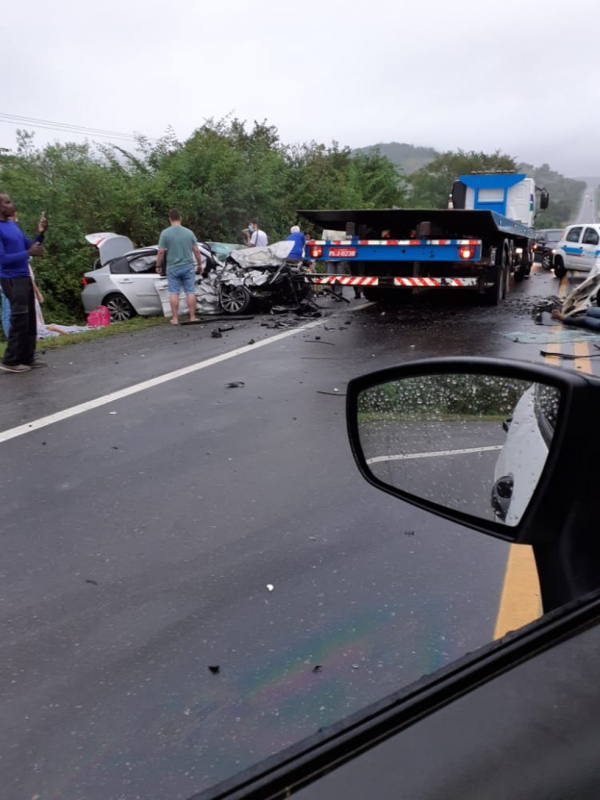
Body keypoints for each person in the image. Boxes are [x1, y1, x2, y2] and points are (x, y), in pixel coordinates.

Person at [0, 194, 47, 372]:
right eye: (7, 202)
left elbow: (30, 245)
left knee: (29, 319)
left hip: (24, 276)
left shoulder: (12, 225)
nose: (12, 204)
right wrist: (28, 253)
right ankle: (10, 360)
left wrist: (40, 234)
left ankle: (27, 357)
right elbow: (3, 259)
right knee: (19, 319)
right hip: (11, 278)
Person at [156, 209, 202, 325]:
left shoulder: (165, 233)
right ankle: (192, 317)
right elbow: (196, 251)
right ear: (180, 218)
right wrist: (200, 264)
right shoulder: (189, 233)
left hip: (173, 267)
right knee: (190, 291)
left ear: (169, 219)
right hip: (188, 266)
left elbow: (161, 252)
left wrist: (158, 265)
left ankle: (175, 319)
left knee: (174, 293)